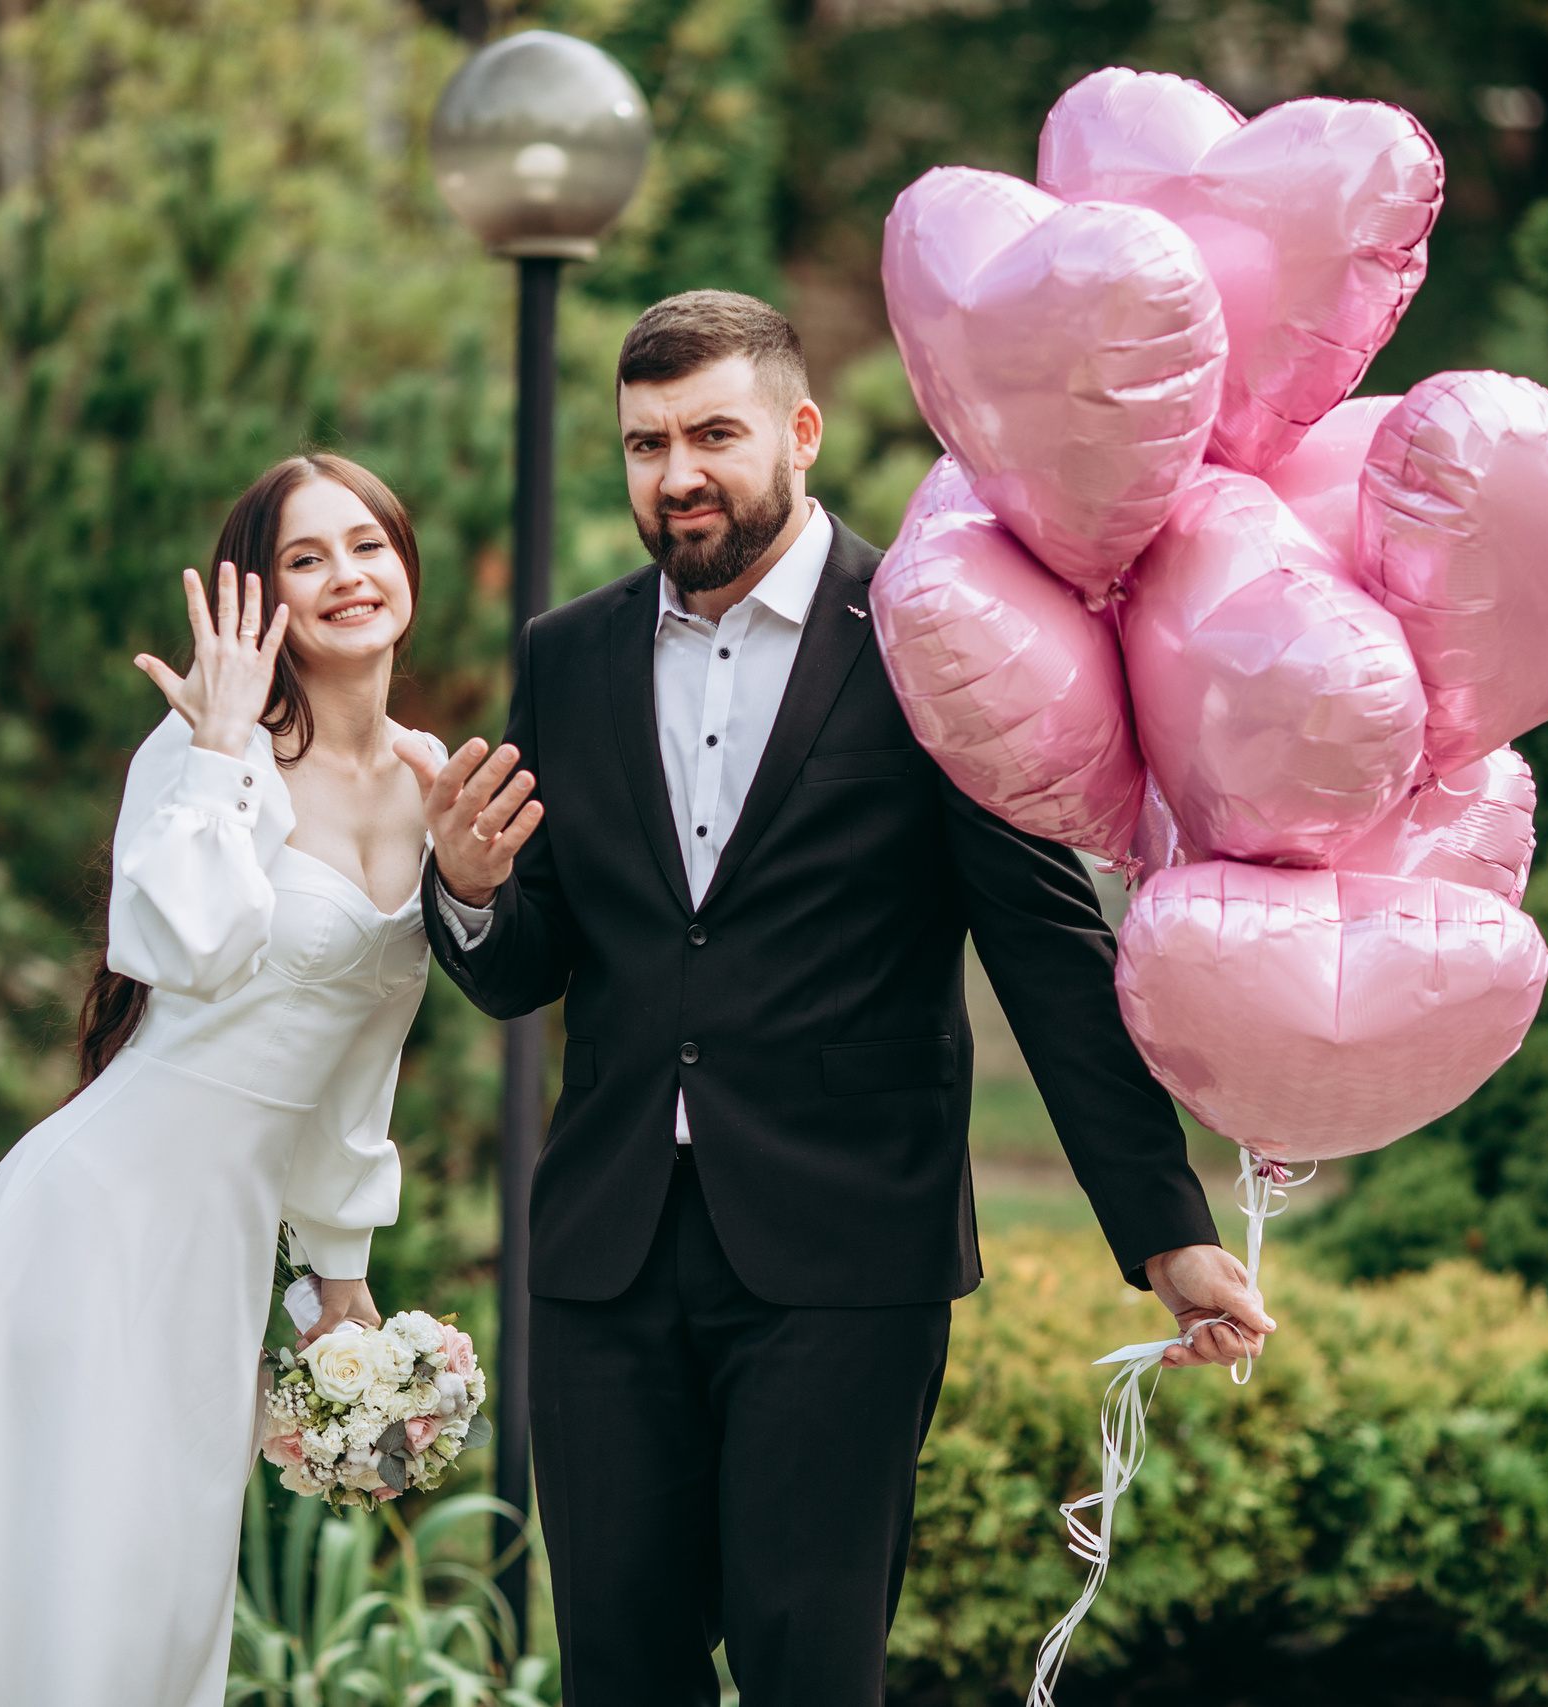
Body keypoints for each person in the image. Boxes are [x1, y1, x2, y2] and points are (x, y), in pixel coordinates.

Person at [398, 290, 1277, 1706]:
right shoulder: (567, 653)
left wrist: (1163, 1227)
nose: (675, 471)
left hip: (845, 1258)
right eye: (644, 443)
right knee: (618, 1673)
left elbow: (1046, 950)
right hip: (605, 1257)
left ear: (801, 432)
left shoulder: (936, 643)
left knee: (812, 1667)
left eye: (711, 434)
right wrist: (471, 891)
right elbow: (534, 965)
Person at [0, 454, 462, 1707]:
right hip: (96, 1219)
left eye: (367, 544)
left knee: (165, 1600)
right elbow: (181, 945)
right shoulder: (202, 755)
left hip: (224, 1255)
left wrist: (338, 1289)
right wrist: (226, 747)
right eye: (306, 557)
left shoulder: (425, 778)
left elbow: (364, 1057)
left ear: (406, 564)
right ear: (262, 599)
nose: (347, 575)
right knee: (67, 1583)